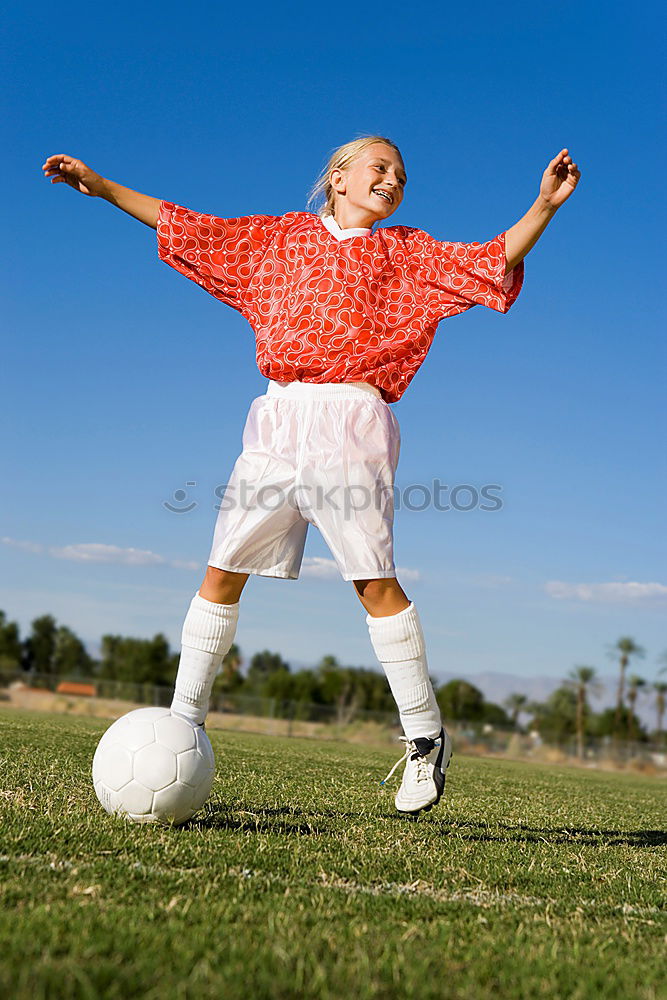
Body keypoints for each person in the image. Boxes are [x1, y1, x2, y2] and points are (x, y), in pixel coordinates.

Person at [42, 137, 580, 816]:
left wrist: (542, 205)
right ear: (338, 178)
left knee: (371, 582)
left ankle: (424, 739)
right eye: (379, 167)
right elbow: (187, 226)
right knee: (220, 571)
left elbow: (492, 258)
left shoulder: (406, 253)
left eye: (401, 175)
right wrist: (105, 185)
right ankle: (184, 719)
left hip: (351, 417)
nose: (392, 179)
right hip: (275, 415)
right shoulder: (278, 240)